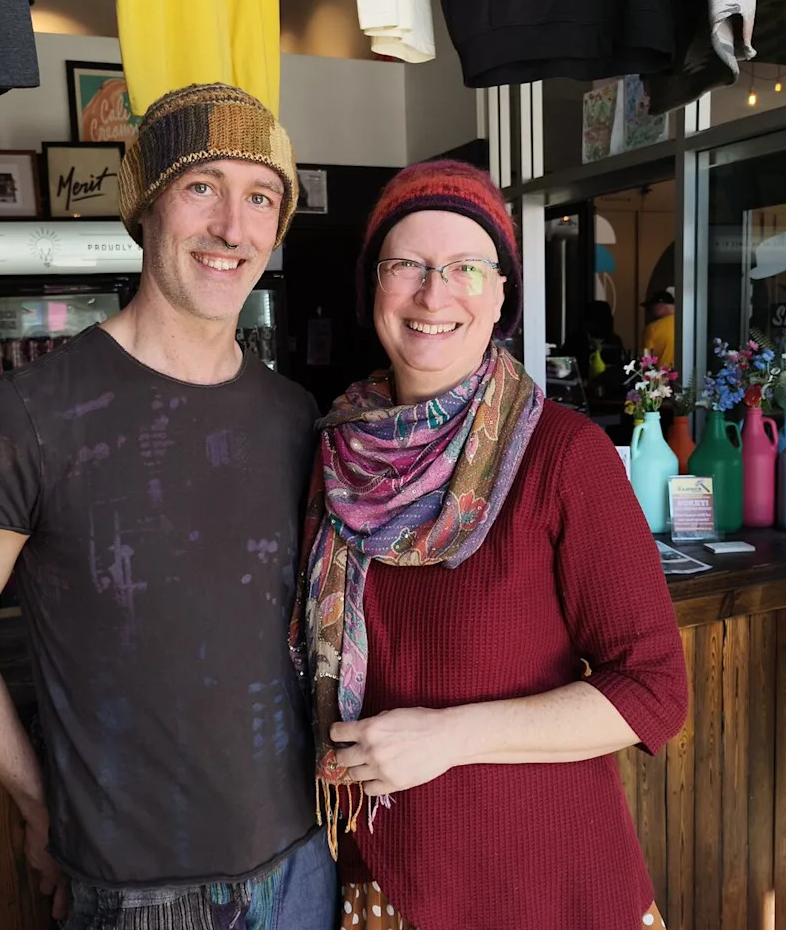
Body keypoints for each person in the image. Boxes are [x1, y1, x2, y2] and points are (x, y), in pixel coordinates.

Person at [0, 84, 337, 930]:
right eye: (202, 186)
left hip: (303, 860)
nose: (233, 228)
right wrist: (37, 801)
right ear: (146, 207)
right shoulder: (29, 418)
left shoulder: (294, 415)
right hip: (137, 890)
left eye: (261, 197)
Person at [289, 160, 689, 930]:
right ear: (373, 286)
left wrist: (450, 736)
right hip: (386, 877)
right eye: (406, 265)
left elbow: (655, 692)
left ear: (502, 293)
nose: (434, 294)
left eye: (466, 267)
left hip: (543, 889)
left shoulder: (562, 455)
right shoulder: (335, 452)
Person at [641, 287, 675, 366]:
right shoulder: (687, 323)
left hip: (663, 372)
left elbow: (647, 360)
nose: (650, 311)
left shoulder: (652, 328)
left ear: (660, 306)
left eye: (651, 308)